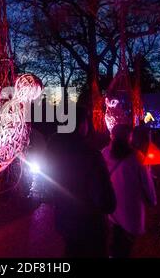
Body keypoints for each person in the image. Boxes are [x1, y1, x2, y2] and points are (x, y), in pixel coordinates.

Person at [46, 105, 116, 257]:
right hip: (90, 227)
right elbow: (106, 201)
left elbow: (48, 187)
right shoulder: (90, 154)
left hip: (65, 223)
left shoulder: (52, 150)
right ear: (81, 124)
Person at [102, 124, 157, 258]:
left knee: (115, 241)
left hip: (112, 207)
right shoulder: (136, 157)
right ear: (129, 137)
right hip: (130, 210)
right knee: (125, 246)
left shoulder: (104, 153)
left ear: (112, 136)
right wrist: (152, 200)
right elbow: (147, 182)